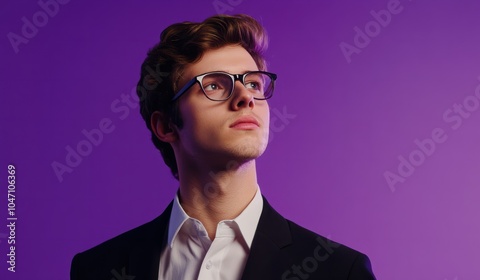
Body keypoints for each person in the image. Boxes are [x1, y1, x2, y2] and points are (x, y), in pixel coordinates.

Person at [70, 14, 376, 280]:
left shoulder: (338, 272)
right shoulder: (98, 269)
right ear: (165, 126)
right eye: (214, 85)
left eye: (254, 83)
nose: (246, 97)